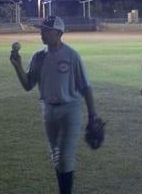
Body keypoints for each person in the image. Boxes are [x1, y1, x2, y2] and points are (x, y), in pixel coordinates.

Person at [9, 16, 99, 194]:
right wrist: (17, 66)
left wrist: (92, 116)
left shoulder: (72, 56)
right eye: (41, 29)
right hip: (48, 111)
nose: (41, 33)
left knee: (65, 157)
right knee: (56, 157)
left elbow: (85, 87)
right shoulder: (38, 57)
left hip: (70, 110)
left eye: (45, 30)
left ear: (58, 33)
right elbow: (28, 85)